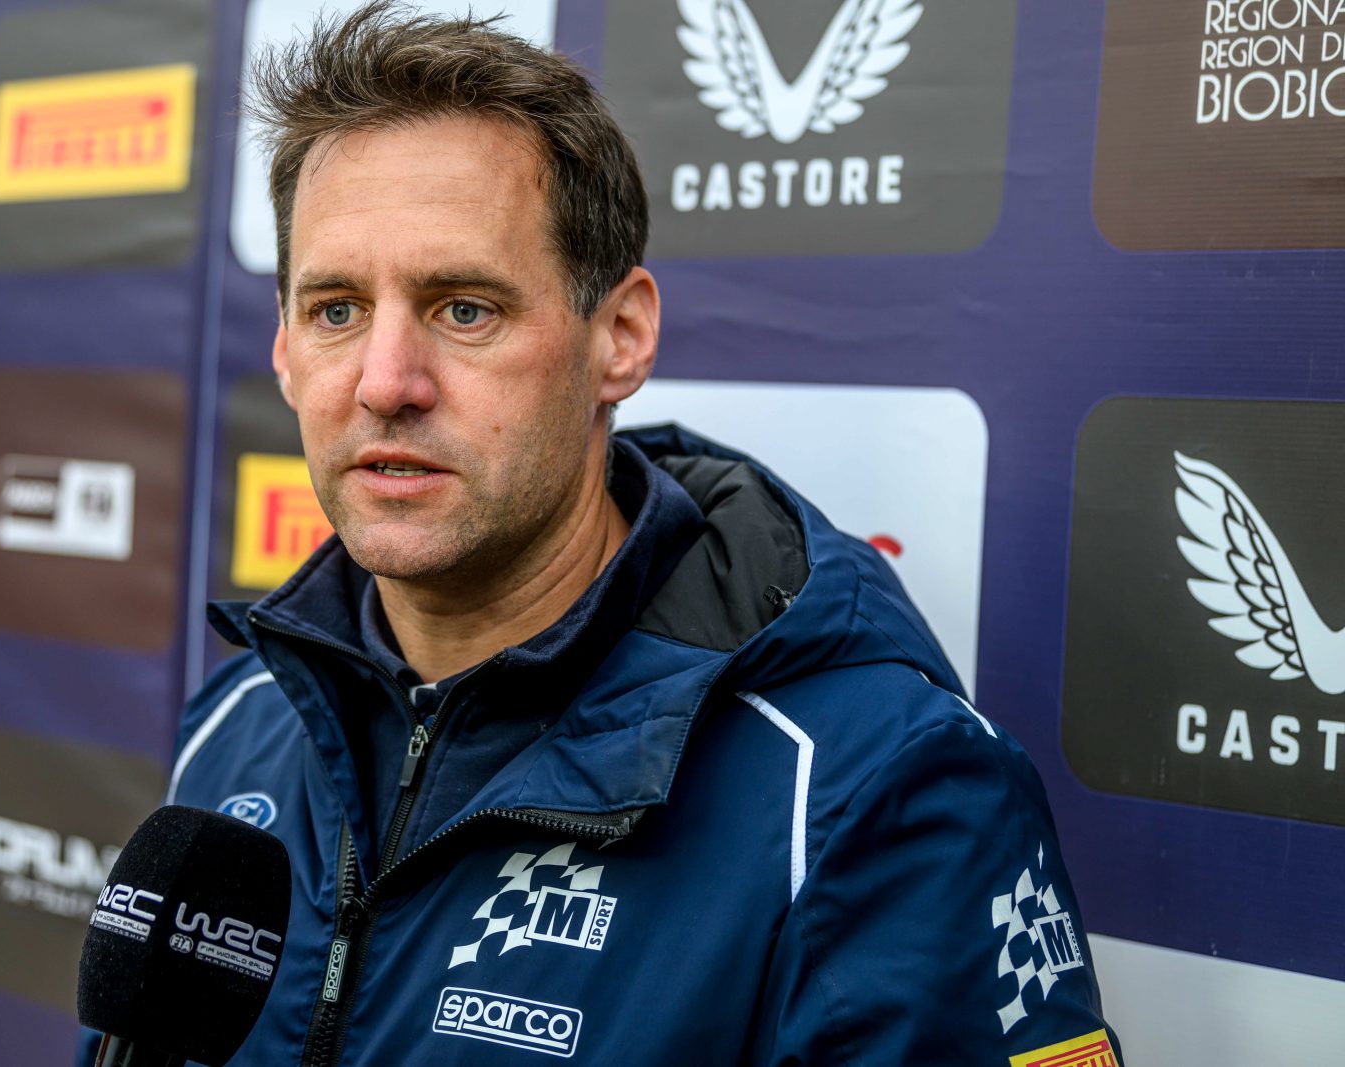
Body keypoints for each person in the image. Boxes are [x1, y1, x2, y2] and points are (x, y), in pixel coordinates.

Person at [86, 4, 1122, 1064]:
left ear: (619, 337)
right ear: (284, 346)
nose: (384, 382)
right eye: (337, 309)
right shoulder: (241, 719)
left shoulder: (869, 789)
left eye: (464, 308)